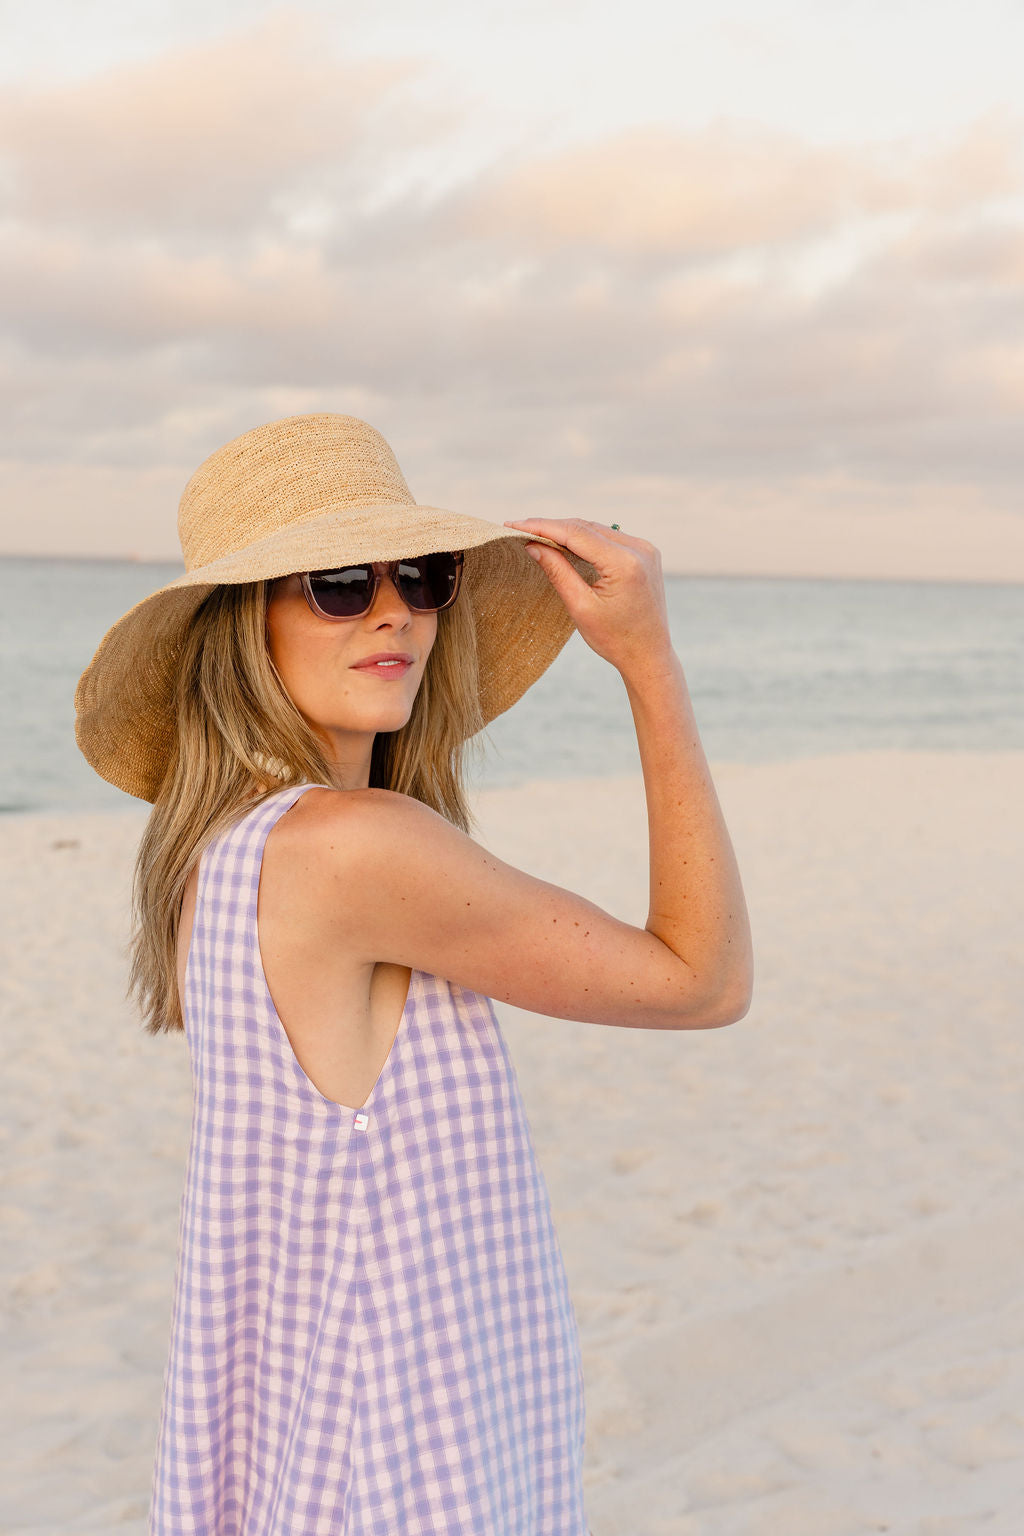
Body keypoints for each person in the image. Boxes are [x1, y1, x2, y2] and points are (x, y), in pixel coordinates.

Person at [75, 412, 753, 1535]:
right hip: (395, 1462)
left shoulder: (228, 851)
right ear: (244, 626)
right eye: (338, 582)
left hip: (320, 1440)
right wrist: (648, 662)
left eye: (422, 574)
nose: (392, 608)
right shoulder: (353, 847)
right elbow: (702, 980)